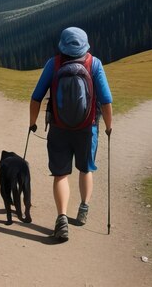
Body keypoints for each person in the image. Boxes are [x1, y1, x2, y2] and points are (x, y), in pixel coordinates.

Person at [29, 27, 112, 242]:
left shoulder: (53, 64)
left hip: (58, 129)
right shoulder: (94, 64)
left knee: (60, 175)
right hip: (87, 128)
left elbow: (36, 97)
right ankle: (84, 208)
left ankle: (62, 218)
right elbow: (106, 100)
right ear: (85, 44)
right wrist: (108, 127)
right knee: (86, 169)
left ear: (62, 44)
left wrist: (32, 123)